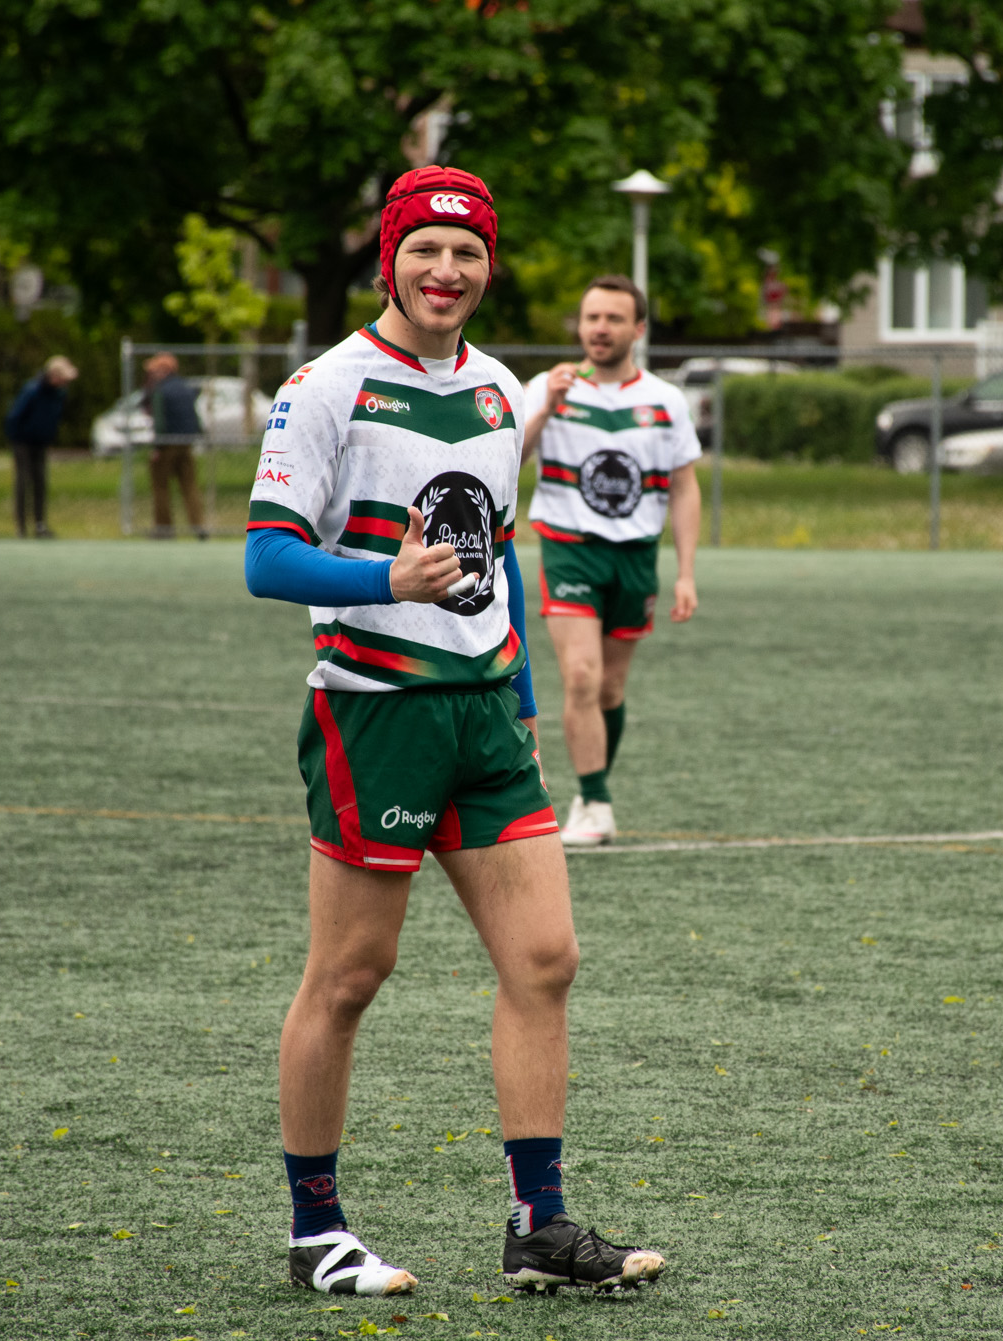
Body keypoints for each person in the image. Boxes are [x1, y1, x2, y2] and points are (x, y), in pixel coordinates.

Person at [243, 165, 667, 1298]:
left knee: (545, 960)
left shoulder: (494, 391)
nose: (445, 271)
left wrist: (519, 703)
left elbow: (498, 562)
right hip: (375, 714)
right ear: (390, 258)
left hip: (484, 715)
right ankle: (314, 1233)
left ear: (488, 267)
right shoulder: (325, 386)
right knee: (348, 975)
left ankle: (539, 1224)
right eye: (425, 251)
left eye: (467, 253)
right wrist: (383, 573)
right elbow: (264, 556)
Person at [522, 277, 702, 847]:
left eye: (614, 319)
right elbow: (510, 457)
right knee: (581, 675)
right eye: (591, 317)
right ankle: (596, 803)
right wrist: (547, 406)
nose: (600, 328)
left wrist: (687, 572)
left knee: (610, 689)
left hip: (636, 557)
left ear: (638, 330)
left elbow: (684, 487)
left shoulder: (666, 401)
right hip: (569, 548)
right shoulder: (548, 387)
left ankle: (589, 792)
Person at [3, 355, 77, 538]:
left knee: (40, 483)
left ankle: (40, 525)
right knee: (22, 482)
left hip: (41, 443)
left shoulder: (59, 394)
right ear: (54, 375)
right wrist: (16, 438)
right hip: (23, 442)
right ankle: (21, 528)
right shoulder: (32, 390)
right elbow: (15, 416)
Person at [143, 350, 209, 540]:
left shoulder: (160, 390)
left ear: (163, 370)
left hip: (167, 444)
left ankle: (164, 529)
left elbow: (160, 422)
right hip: (186, 443)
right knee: (189, 486)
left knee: (160, 486)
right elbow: (194, 417)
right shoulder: (186, 387)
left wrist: (156, 447)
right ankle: (199, 527)